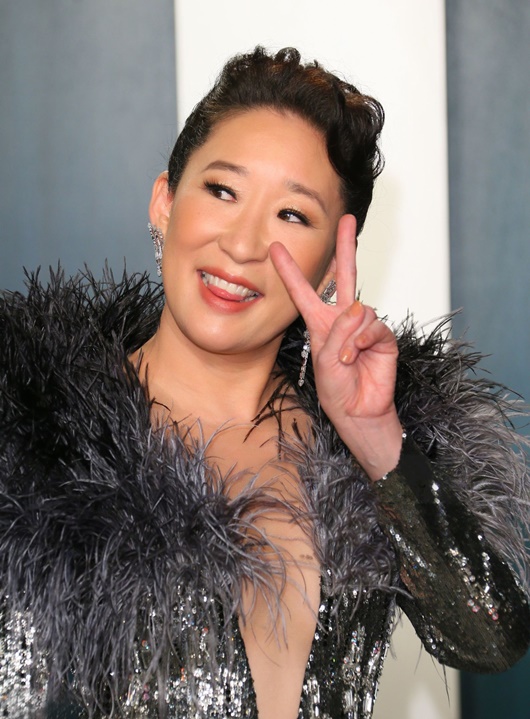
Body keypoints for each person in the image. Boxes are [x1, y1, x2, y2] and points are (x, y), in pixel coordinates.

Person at [0, 46, 529, 719]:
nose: (244, 244)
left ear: (331, 267)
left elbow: (489, 639)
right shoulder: (34, 440)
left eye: (292, 215)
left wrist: (374, 437)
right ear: (165, 201)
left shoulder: (351, 456)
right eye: (223, 191)